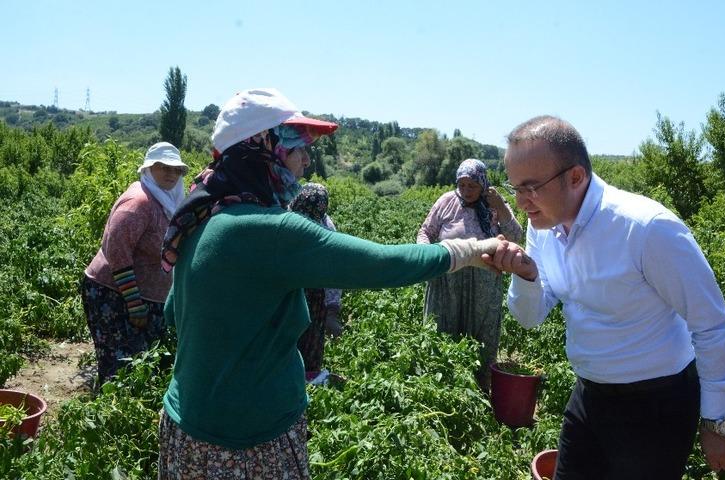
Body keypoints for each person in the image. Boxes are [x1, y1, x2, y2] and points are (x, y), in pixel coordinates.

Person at [156, 88, 502, 480]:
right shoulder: (270, 231)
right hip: (249, 443)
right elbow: (383, 264)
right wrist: (471, 250)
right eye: (298, 147)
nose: (306, 160)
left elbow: (173, 313)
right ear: (263, 149)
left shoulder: (200, 215)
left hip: (186, 431)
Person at [484, 115, 725, 479]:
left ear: (575, 177)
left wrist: (718, 421)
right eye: (514, 188)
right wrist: (527, 275)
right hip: (590, 396)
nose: (521, 202)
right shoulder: (543, 225)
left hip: (656, 406)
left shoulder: (647, 229)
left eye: (531, 188)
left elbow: (712, 324)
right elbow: (530, 317)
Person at [80, 142, 188, 387]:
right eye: (163, 167)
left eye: (176, 169)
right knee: (119, 366)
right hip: (114, 294)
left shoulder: (167, 200)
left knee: (142, 363)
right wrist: (134, 302)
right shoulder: (139, 202)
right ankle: (109, 415)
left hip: (145, 298)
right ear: (149, 170)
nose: (171, 174)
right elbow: (116, 250)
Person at [417, 158, 522, 390]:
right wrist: (426, 254)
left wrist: (502, 208)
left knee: (481, 336)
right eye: (462, 185)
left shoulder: (495, 204)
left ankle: (479, 390)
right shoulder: (446, 201)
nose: (466, 191)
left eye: (472, 185)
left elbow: (515, 237)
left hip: (483, 282)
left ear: (483, 183)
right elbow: (425, 231)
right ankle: (441, 387)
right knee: (444, 331)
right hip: (448, 281)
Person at [290, 183, 344, 372]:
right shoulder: (284, 219)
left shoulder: (326, 229)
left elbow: (334, 271)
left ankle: (308, 378)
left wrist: (331, 312)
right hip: (289, 291)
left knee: (311, 342)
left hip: (314, 296)